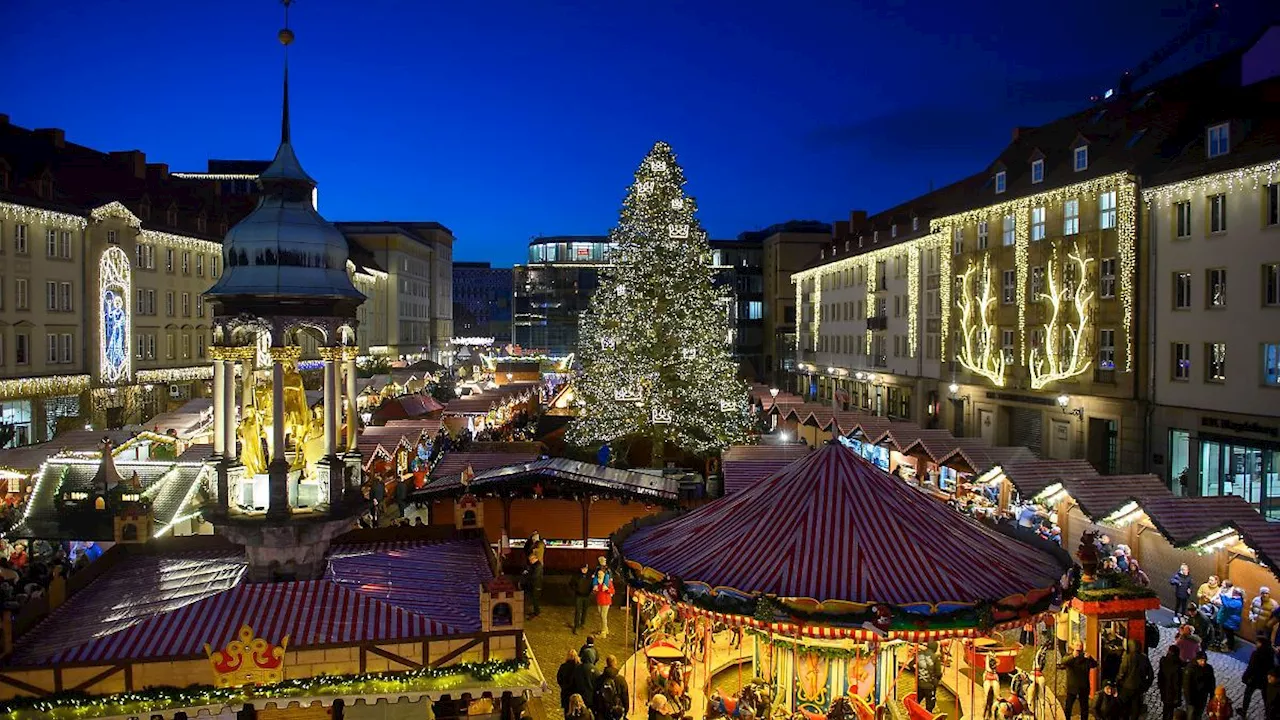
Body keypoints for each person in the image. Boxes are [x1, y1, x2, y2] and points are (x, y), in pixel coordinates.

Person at [1058, 644, 1098, 720]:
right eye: (1077, 646)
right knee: (1068, 707)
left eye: (1080, 646)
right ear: (1074, 647)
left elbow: (1095, 664)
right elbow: (1063, 661)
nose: (1079, 647)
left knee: (1084, 708)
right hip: (1072, 687)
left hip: (1084, 687)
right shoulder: (1070, 656)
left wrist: (1090, 658)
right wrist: (1073, 656)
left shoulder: (1086, 657)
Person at [1116, 638, 1153, 718]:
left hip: (1127, 687)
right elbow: (1150, 674)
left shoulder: (1128, 657)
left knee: (1125, 708)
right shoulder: (1144, 658)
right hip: (1139, 687)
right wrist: (1146, 685)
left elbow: (1122, 672)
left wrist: (1118, 681)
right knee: (1135, 709)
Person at [1243, 636, 1274, 718]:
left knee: (1247, 695)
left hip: (1254, 679)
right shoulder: (1270, 653)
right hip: (1264, 679)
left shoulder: (1256, 654)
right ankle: (1268, 713)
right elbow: (1272, 666)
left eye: (1257, 643)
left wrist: (1245, 677)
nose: (1256, 644)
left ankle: (1244, 711)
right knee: (1266, 697)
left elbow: (1251, 667)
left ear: (1261, 643)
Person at [592, 655, 630, 720]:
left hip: (603, 711)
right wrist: (625, 710)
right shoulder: (621, 679)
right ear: (615, 663)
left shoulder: (600, 679)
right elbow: (625, 696)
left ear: (607, 663)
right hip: (616, 711)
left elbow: (595, 695)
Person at [1184, 651, 1216, 720]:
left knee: (1199, 715)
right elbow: (1187, 686)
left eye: (1204, 660)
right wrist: (1189, 701)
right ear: (1197, 660)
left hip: (1203, 697)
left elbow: (1212, 682)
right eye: (1201, 660)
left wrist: (1212, 696)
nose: (1203, 662)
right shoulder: (1190, 668)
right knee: (1191, 716)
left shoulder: (1209, 668)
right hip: (1193, 698)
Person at [1158, 645, 1185, 720]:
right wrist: (1177, 697)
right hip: (1172, 692)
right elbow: (1177, 684)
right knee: (1170, 711)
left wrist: (1160, 686)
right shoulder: (1177, 667)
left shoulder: (1163, 660)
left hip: (1164, 689)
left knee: (1165, 708)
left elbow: (1160, 675)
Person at [524, 531, 545, 619]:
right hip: (535, 583)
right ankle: (536, 611)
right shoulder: (534, 565)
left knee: (535, 598)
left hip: (536, 584)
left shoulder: (539, 545)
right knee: (533, 598)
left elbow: (535, 576)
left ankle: (536, 612)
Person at [915, 641, 940, 712]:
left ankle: (915, 714)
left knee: (917, 701)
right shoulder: (935, 658)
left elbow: (911, 665)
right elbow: (938, 673)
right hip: (930, 685)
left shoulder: (919, 654)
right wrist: (936, 681)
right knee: (929, 705)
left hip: (920, 683)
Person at [1217, 587, 1244, 651]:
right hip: (1228, 620)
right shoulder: (1235, 599)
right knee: (1228, 633)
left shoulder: (1238, 602)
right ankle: (1227, 643)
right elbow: (1228, 600)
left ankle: (1230, 647)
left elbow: (1227, 605)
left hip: (1231, 621)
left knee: (1230, 634)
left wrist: (1222, 596)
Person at [593, 565, 615, 639]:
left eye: (601, 574)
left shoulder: (607, 582)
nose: (599, 575)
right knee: (601, 615)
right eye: (598, 574)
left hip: (606, 601)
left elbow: (612, 591)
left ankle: (603, 632)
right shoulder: (597, 582)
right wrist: (595, 590)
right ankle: (606, 629)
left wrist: (607, 589)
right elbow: (596, 592)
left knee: (603, 616)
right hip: (599, 601)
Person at [572, 565, 593, 634]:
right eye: (583, 569)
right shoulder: (576, 576)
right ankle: (576, 626)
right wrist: (576, 590)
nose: (584, 570)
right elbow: (571, 584)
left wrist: (590, 591)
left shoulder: (590, 576)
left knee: (585, 610)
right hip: (579, 596)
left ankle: (582, 623)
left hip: (587, 596)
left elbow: (592, 584)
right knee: (578, 611)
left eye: (586, 569)